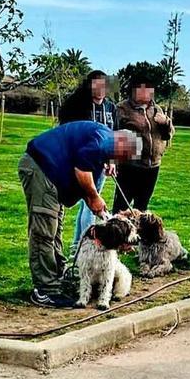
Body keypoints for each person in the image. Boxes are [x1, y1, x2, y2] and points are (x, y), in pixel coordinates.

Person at [18, 122, 141, 308]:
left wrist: (106, 163)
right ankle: (44, 290)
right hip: (41, 168)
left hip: (52, 174)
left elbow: (86, 159)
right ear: (121, 145)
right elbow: (82, 171)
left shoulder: (106, 140)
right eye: (124, 157)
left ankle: (57, 278)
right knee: (44, 232)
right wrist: (94, 197)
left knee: (55, 229)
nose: (121, 162)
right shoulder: (101, 143)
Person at [57, 70, 119, 256]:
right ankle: (87, 247)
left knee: (88, 205)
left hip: (100, 164)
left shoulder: (110, 108)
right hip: (81, 163)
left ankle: (77, 246)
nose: (101, 90)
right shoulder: (79, 106)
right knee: (91, 203)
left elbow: (113, 135)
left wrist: (112, 160)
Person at [112, 80, 174, 212]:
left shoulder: (156, 109)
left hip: (152, 166)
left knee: (142, 206)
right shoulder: (121, 109)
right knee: (122, 206)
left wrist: (165, 122)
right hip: (130, 166)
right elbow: (113, 135)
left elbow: (168, 135)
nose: (148, 93)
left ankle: (138, 232)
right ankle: (117, 231)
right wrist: (113, 161)